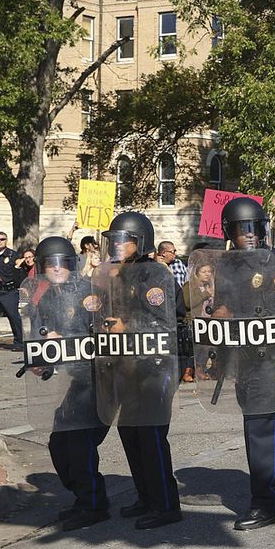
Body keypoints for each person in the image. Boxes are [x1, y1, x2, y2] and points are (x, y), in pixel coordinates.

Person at [203, 197, 275, 529]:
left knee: (261, 427)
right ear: (229, 233)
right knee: (264, 424)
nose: (247, 235)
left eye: (252, 228)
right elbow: (223, 309)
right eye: (239, 229)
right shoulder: (226, 264)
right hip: (247, 354)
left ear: (262, 229)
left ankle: (267, 502)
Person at [93, 211, 182, 530]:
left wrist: (126, 325)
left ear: (140, 241)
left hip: (154, 367)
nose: (116, 246)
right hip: (126, 365)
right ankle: (146, 495)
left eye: (123, 240)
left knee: (151, 434)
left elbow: (163, 321)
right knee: (129, 432)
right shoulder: (116, 273)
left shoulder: (154, 274)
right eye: (113, 240)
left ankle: (166, 504)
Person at [26, 236, 111, 531]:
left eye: (61, 263)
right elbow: (43, 339)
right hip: (76, 379)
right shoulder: (46, 298)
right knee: (59, 442)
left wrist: (74, 341)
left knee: (79, 439)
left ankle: (94, 504)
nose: (56, 269)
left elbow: (107, 332)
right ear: (41, 268)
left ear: (72, 265)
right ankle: (82, 496)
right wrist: (41, 361)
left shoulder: (89, 292)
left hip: (99, 376)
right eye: (50, 264)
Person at [0, 231, 27, 350]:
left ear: (6, 240)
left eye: (2, 239)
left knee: (14, 317)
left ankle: (19, 343)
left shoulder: (12, 254)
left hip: (9, 292)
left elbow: (18, 268)